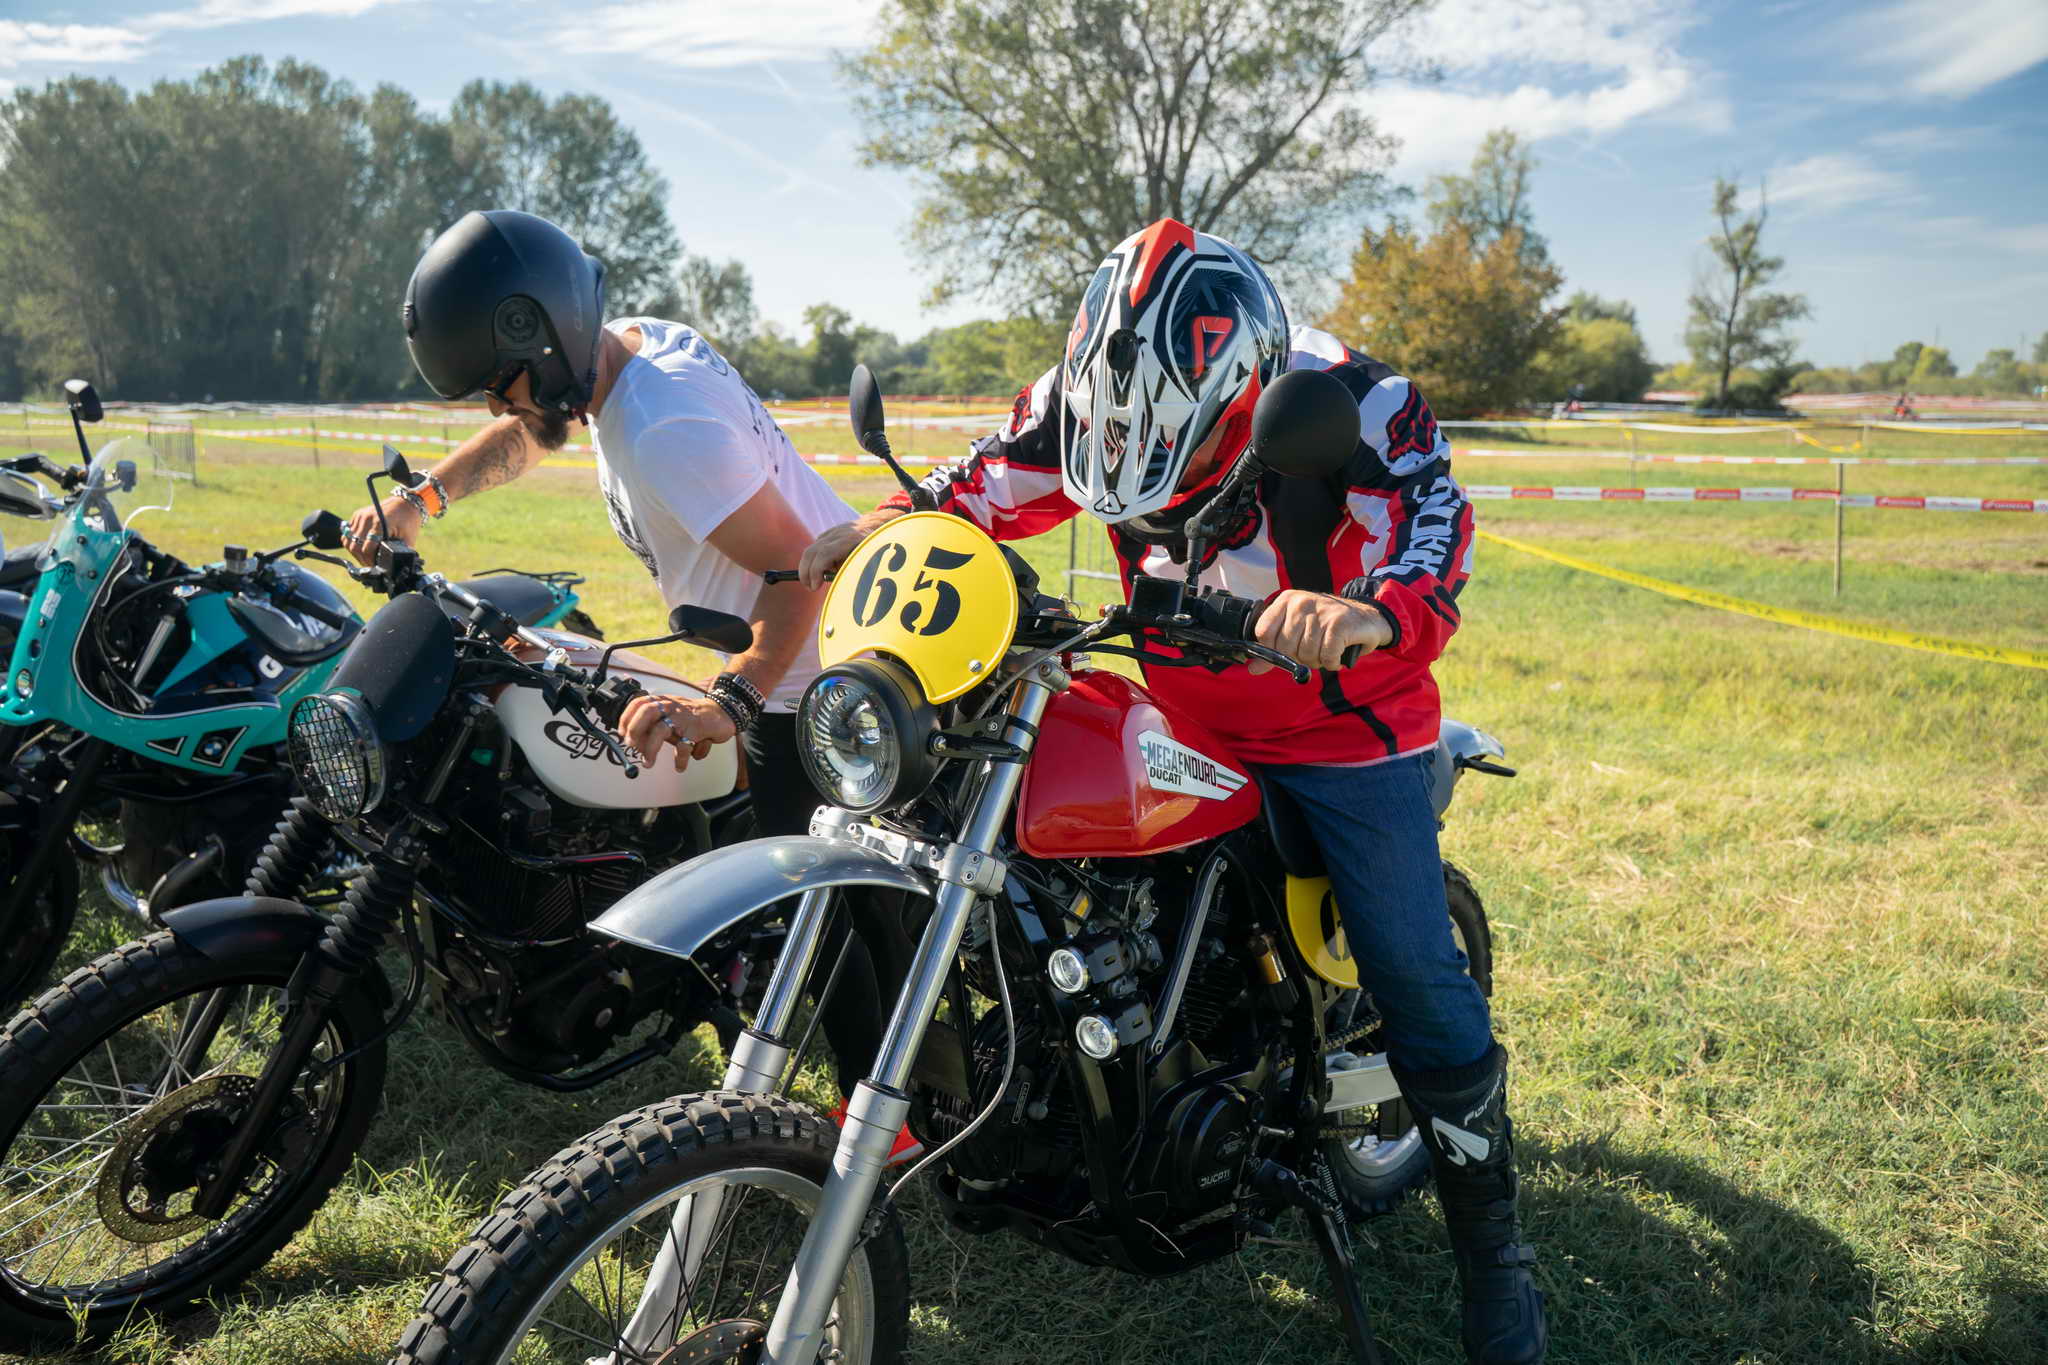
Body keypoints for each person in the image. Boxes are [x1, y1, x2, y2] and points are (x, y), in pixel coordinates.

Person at [802, 218, 1545, 1363]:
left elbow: (1432, 533)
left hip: (1341, 728)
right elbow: (984, 486)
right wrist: (895, 523)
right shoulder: (1086, 395)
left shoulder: (1357, 407)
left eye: (1184, 475)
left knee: (1410, 974)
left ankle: (1494, 1257)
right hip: (1181, 708)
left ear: (1243, 409)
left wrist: (1366, 612)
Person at [351, 208, 915, 1158]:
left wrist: (731, 700)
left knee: (820, 907)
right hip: (784, 655)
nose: (496, 404)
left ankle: (889, 1123)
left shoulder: (662, 426)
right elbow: (533, 433)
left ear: (543, 334)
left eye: (499, 380)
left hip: (819, 671)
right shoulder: (621, 357)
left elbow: (798, 575)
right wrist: (424, 498)